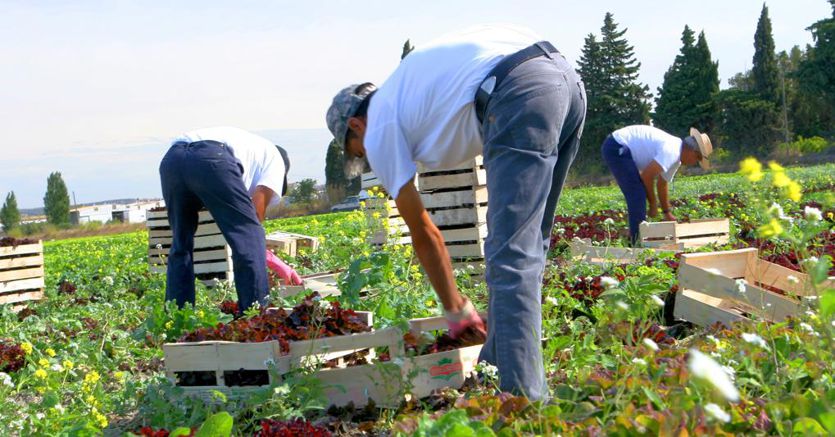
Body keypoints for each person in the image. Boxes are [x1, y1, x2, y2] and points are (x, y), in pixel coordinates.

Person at [326, 24, 586, 401]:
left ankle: (523, 404)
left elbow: (423, 231)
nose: (363, 156)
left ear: (355, 125)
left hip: (518, 91)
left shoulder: (378, 124)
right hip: (565, 80)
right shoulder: (405, 93)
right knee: (531, 245)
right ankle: (497, 365)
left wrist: (455, 307)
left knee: (510, 253)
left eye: (355, 149)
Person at [159, 126, 302, 313]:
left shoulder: (251, 149)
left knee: (181, 244)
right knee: (250, 235)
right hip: (212, 157)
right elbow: (253, 221)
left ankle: (177, 317)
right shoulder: (275, 161)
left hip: (172, 159)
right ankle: (255, 317)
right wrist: (274, 262)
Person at [601, 125, 713, 245]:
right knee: (637, 194)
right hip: (617, 145)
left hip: (619, 145)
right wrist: (653, 204)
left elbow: (662, 183)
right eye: (697, 159)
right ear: (692, 151)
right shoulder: (672, 151)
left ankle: (636, 237)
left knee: (638, 192)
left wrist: (666, 212)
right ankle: (637, 243)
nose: (694, 163)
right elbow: (646, 176)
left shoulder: (676, 157)